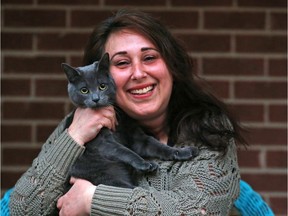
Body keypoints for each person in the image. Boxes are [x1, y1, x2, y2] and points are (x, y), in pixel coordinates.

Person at [10, 9, 246, 215]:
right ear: (101, 74)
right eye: (122, 63)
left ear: (171, 65)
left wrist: (92, 199)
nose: (138, 73)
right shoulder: (78, 125)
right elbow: (22, 209)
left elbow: (199, 211)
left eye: (149, 57)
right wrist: (74, 137)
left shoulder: (209, 128)